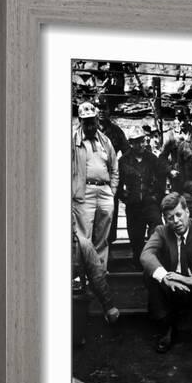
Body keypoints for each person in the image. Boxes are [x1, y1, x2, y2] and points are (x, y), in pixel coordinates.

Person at [140, 193, 192, 353]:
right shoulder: (161, 232)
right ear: (165, 219)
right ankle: (167, 326)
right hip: (171, 286)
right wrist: (165, 278)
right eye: (170, 218)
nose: (176, 221)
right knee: (149, 273)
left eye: (179, 215)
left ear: (187, 212)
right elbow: (146, 255)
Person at [72, 101, 119, 270]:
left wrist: (111, 190)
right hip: (84, 193)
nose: (90, 125)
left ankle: (99, 275)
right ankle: (81, 276)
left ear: (97, 120)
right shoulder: (72, 141)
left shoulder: (105, 140)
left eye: (92, 120)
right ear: (80, 121)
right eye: (86, 121)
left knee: (102, 237)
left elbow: (114, 167)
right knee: (83, 238)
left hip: (105, 192)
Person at [118, 126, 163, 268]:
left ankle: (154, 258)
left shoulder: (152, 158)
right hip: (133, 205)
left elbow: (161, 178)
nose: (142, 144)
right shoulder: (124, 160)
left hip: (150, 202)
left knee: (157, 227)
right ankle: (138, 264)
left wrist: (157, 196)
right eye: (137, 142)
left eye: (143, 141)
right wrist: (125, 197)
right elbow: (118, 182)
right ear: (131, 143)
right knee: (135, 237)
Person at [95, 96, 130, 246]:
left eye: (105, 108)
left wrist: (119, 172)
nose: (101, 111)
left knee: (109, 218)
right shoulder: (86, 128)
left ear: (110, 110)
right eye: (99, 107)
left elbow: (128, 154)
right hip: (90, 181)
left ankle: (107, 258)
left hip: (110, 184)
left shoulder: (116, 131)